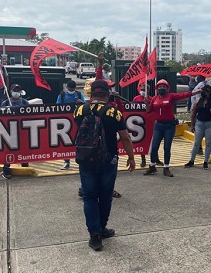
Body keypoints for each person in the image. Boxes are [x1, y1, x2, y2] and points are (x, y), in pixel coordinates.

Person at [75, 79, 136, 251]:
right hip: (108, 159)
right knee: (105, 195)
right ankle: (102, 228)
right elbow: (125, 137)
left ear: (91, 94)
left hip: (86, 158)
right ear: (107, 94)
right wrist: (131, 158)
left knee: (89, 197)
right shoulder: (113, 112)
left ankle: (94, 236)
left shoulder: (80, 110)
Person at [144, 79, 197, 177]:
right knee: (154, 147)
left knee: (167, 147)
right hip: (158, 125)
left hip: (169, 125)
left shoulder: (171, 96)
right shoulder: (154, 99)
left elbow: (183, 95)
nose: (161, 88)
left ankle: (166, 168)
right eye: (160, 87)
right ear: (157, 88)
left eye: (163, 87)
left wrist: (195, 92)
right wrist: (147, 103)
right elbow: (148, 110)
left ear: (167, 88)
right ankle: (152, 166)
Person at [184, 84, 211, 169]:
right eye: (202, 91)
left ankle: (205, 162)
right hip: (199, 123)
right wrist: (193, 125)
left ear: (209, 92)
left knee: (208, 143)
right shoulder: (198, 100)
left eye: (205, 91)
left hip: (209, 123)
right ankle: (191, 160)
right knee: (196, 143)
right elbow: (193, 113)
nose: (203, 93)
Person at [0, 84, 30, 179]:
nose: (16, 92)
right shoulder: (5, 103)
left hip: (22, 130)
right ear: (10, 91)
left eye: (18, 90)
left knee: (24, 149)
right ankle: (6, 169)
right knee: (8, 151)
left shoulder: (25, 103)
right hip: (9, 131)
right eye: (14, 90)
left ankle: (24, 166)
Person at [56, 80, 85, 170]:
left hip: (77, 122)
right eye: (70, 88)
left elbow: (85, 106)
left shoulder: (79, 95)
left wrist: (81, 103)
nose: (71, 90)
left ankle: (80, 160)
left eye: (73, 89)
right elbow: (57, 107)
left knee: (79, 141)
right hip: (66, 124)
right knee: (66, 143)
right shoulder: (62, 95)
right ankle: (66, 161)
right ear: (67, 87)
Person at [133, 83, 150, 168]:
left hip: (148, 122)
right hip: (139, 123)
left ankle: (156, 158)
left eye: (144, 90)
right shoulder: (136, 98)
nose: (142, 91)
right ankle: (143, 160)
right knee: (141, 142)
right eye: (142, 89)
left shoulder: (151, 99)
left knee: (152, 142)